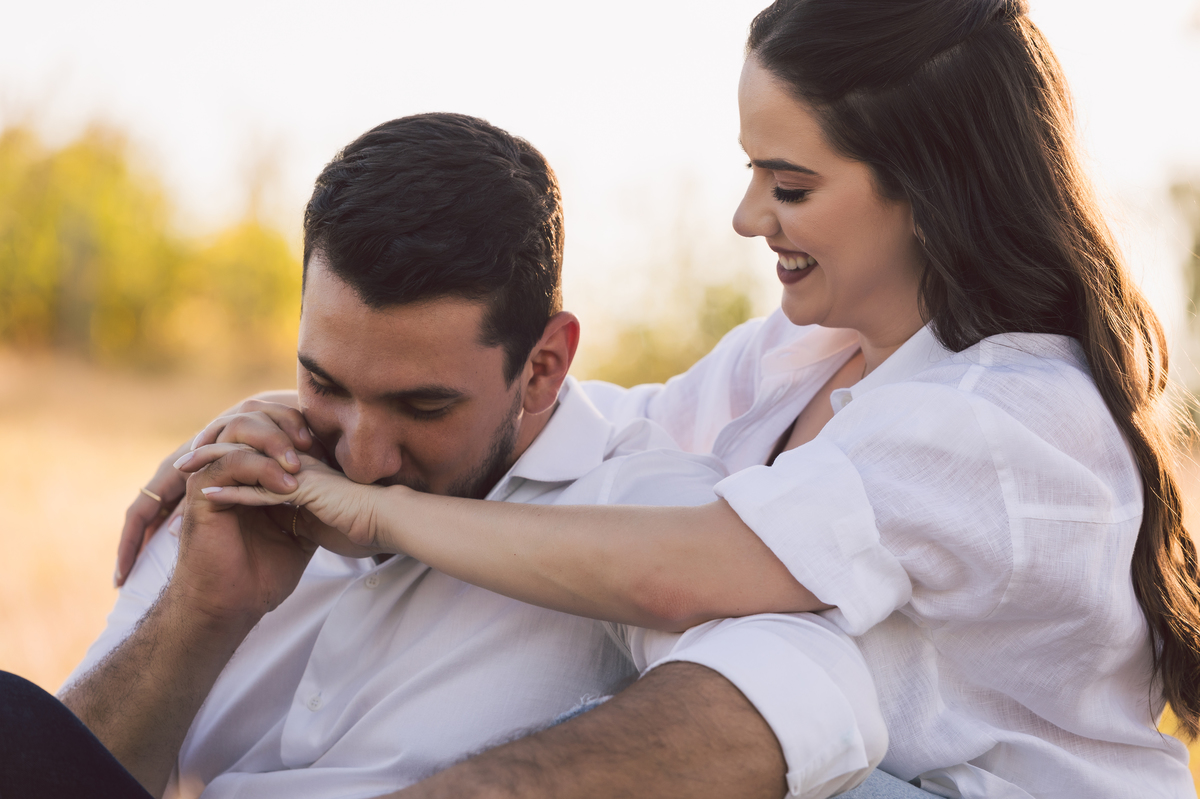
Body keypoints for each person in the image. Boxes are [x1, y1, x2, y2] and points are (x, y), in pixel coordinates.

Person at [184, 0, 1200, 797]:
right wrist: (309, 421)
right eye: (752, 170)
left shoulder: (1011, 416)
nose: (748, 214)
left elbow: (683, 570)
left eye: (789, 185)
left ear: (930, 190)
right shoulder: (807, 355)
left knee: (722, 733)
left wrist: (383, 507)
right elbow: (608, 432)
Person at [10, 112, 889, 799]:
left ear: (542, 366)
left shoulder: (637, 501)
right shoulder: (246, 469)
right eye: (325, 381)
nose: (359, 453)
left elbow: (813, 697)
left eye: (421, 405)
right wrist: (200, 613)